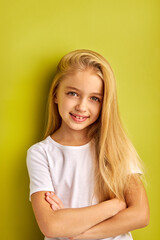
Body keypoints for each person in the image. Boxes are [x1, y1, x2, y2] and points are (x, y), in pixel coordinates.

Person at [26, 49, 150, 240]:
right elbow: (51, 226)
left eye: (94, 98)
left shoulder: (115, 146)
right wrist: (114, 206)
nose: (82, 107)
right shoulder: (41, 153)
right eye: (73, 93)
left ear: (104, 104)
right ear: (56, 94)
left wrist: (77, 233)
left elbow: (140, 215)